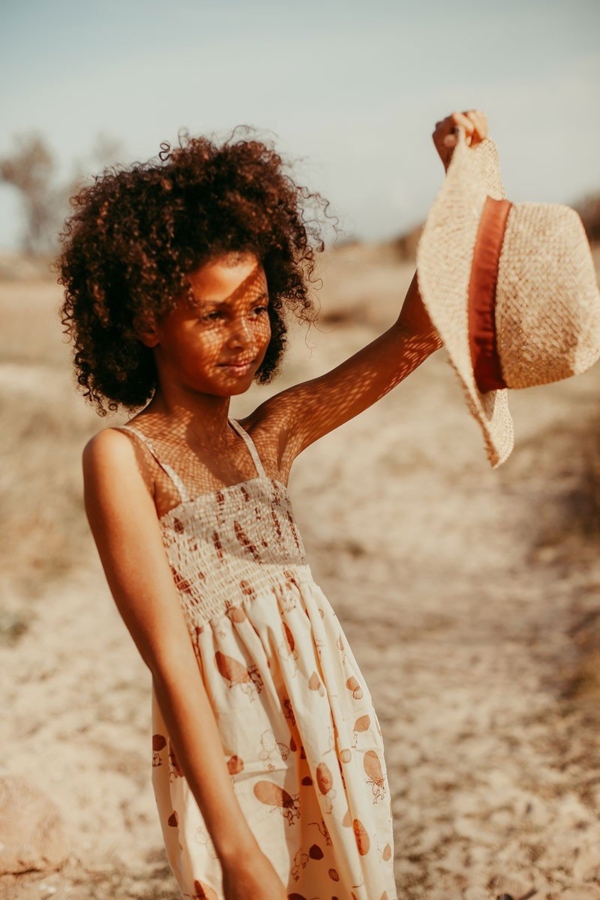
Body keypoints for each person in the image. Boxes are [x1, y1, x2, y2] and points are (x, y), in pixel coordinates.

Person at [57, 110, 487, 900]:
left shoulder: (273, 437)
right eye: (213, 313)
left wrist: (458, 185)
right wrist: (232, 845)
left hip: (332, 736)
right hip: (233, 757)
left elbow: (418, 334)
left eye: (256, 308)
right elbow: (172, 662)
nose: (244, 335)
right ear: (148, 319)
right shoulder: (124, 461)